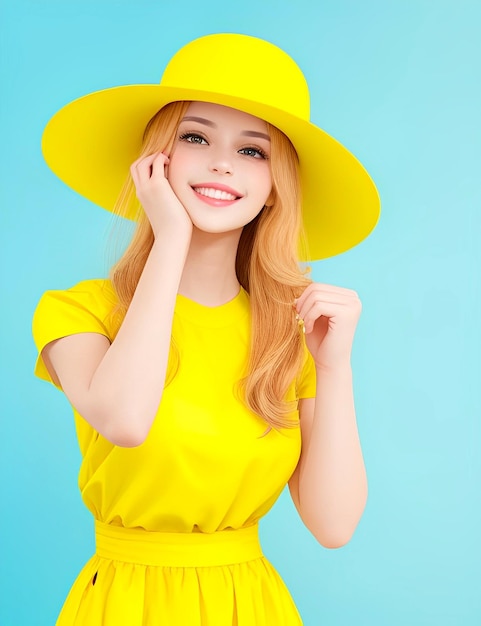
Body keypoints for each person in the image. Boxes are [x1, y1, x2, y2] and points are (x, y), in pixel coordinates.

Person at [33, 33, 380, 625]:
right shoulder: (80, 312)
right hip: (123, 604)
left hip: (249, 607)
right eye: (195, 137)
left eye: (254, 151)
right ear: (155, 159)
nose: (222, 162)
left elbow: (334, 525)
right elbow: (124, 419)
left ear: (276, 189)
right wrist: (170, 235)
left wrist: (334, 365)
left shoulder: (286, 336)